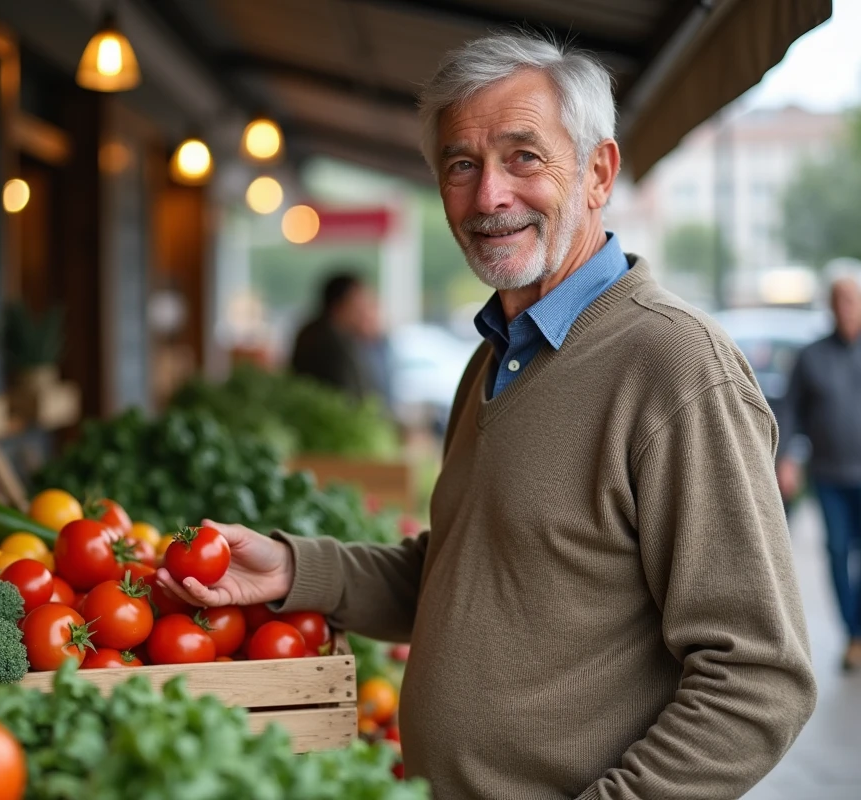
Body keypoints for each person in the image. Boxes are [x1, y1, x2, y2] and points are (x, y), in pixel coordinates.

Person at [159, 32, 815, 800]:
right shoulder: (499, 352)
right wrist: (297, 570)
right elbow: (472, 571)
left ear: (599, 172)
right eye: (461, 165)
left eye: (524, 157)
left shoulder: (675, 367)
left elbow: (759, 680)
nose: (489, 196)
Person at [778, 274, 861, 671]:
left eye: (852, 300)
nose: (846, 308)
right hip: (828, 475)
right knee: (837, 550)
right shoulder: (811, 357)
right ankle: (853, 633)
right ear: (831, 306)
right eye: (839, 301)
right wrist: (788, 459)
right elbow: (790, 412)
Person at [289, 272, 381, 402]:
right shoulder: (328, 342)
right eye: (360, 305)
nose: (365, 312)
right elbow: (353, 398)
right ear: (340, 305)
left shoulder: (320, 332)